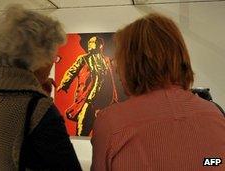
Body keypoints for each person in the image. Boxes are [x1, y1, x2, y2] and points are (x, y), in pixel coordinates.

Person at [91, 13, 225, 170]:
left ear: (132, 64)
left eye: (120, 59)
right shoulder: (215, 114)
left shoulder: (111, 122)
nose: (116, 68)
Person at [0, 5, 82, 171]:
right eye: (53, 56)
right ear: (38, 57)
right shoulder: (38, 108)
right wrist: (41, 101)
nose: (51, 63)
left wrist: (37, 91)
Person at [57, 36, 118, 136]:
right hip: (88, 99)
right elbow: (72, 71)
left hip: (104, 102)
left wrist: (114, 97)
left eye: (92, 42)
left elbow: (111, 79)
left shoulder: (106, 60)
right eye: (89, 42)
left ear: (100, 45)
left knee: (105, 133)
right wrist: (64, 84)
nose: (90, 44)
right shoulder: (83, 58)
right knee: (82, 129)